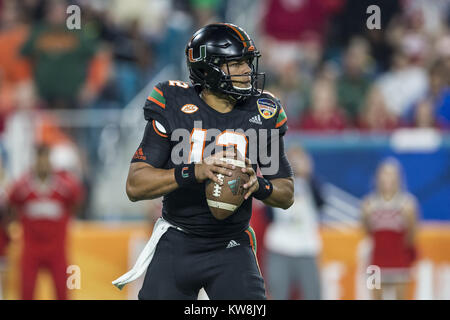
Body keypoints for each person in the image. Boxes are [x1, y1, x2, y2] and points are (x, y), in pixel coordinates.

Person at [113, 23, 294, 300]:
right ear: (208, 69)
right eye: (236, 64)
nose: (247, 70)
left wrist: (258, 186)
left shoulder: (263, 111)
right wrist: (194, 171)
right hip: (178, 239)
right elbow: (135, 185)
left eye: (248, 61)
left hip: (231, 245)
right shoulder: (173, 101)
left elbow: (286, 192)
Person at [7, 144, 85, 300]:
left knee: (62, 292)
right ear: (34, 160)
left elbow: (78, 201)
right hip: (31, 250)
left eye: (45, 158)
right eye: (39, 158)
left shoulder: (64, 187)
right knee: (26, 292)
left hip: (57, 251)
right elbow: (11, 204)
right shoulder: (23, 187)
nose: (42, 163)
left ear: (50, 160)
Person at [264, 146, 323, 300]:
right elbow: (268, 214)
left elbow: (321, 202)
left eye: (299, 159)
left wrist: (309, 175)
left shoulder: (310, 183)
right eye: (291, 159)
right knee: (277, 294)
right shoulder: (276, 182)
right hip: (280, 247)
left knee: (313, 294)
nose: (295, 164)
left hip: (307, 249)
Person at [361, 158, 418, 300]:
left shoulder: (408, 204)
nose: (387, 178)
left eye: (391, 174)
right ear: (377, 177)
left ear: (398, 178)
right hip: (375, 261)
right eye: (384, 174)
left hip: (399, 260)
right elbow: (367, 233)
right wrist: (367, 217)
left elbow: (411, 236)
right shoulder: (368, 203)